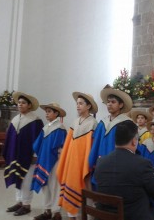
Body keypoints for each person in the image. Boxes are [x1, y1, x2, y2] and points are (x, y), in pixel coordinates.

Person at [94, 121, 154, 220]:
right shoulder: (141, 163)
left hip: (104, 216)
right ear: (134, 141)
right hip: (132, 216)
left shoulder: (101, 162)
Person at [57, 92, 98, 220]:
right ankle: (72, 216)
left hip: (85, 163)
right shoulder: (75, 122)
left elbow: (92, 146)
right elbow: (68, 145)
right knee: (71, 183)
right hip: (72, 162)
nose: (78, 106)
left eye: (81, 103)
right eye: (77, 103)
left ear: (88, 106)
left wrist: (89, 163)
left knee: (88, 190)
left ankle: (90, 216)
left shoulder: (93, 123)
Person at [3, 92, 44, 216]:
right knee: (17, 176)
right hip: (15, 155)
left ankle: (26, 204)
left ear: (29, 105)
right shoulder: (15, 119)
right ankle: (19, 202)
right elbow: (9, 138)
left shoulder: (35, 121)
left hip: (29, 156)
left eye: (23, 103)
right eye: (19, 102)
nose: (20, 104)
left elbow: (39, 139)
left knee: (26, 180)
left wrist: (35, 155)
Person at [88, 87, 133, 188]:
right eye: (108, 102)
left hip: (117, 167)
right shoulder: (101, 123)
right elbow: (95, 145)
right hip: (101, 165)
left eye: (113, 102)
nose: (109, 104)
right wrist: (91, 162)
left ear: (121, 105)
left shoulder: (126, 124)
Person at [31, 103, 67, 220]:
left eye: (49, 111)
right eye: (46, 111)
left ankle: (57, 212)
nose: (47, 113)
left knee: (54, 186)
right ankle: (47, 210)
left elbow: (61, 147)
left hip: (55, 161)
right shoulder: (46, 128)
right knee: (45, 185)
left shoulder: (60, 128)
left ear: (56, 113)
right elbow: (38, 145)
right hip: (43, 160)